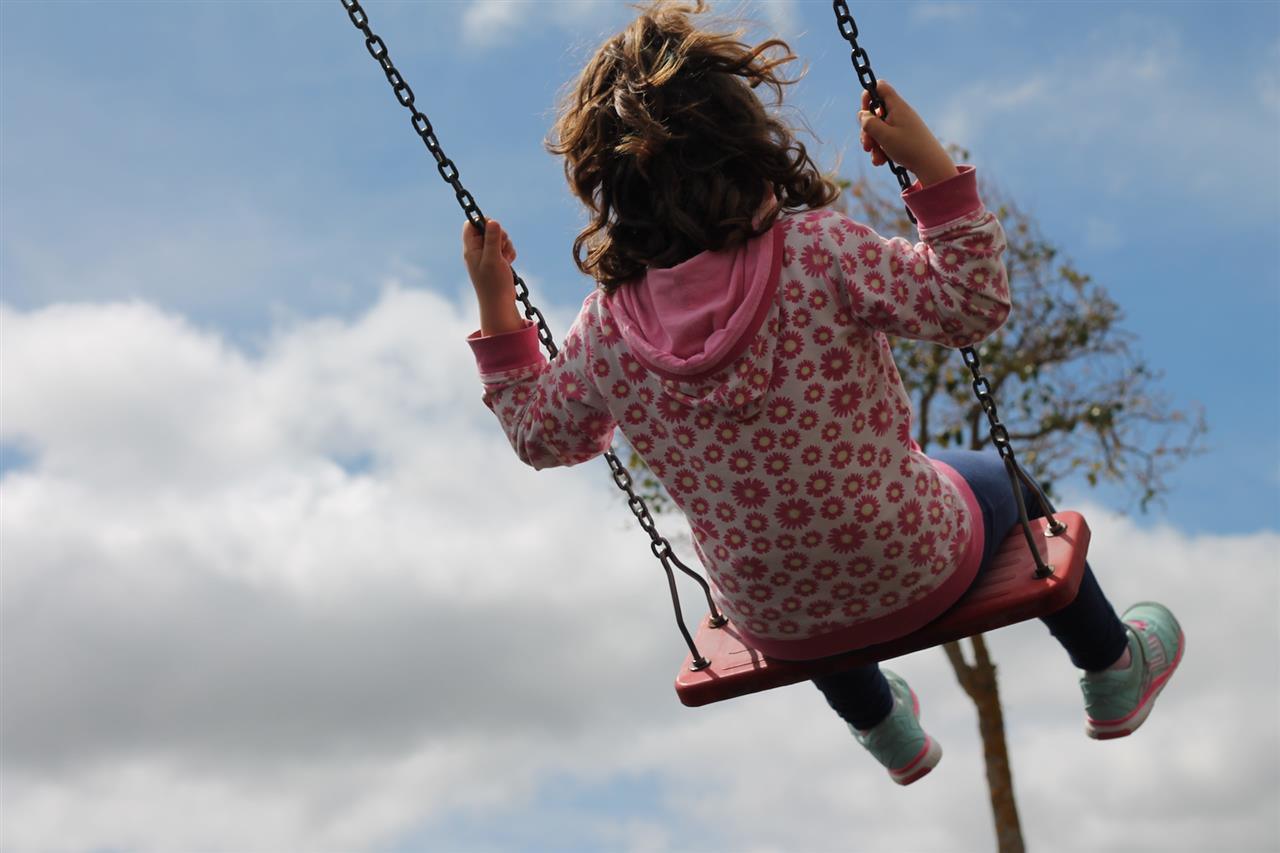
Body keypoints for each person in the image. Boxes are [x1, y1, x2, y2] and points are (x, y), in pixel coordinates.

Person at [460, 0, 1183, 785]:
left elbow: (541, 434)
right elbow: (969, 303)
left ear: (607, 186)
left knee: (785, 554)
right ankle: (1113, 666)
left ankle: (887, 731)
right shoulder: (817, 250)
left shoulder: (604, 328)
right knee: (997, 478)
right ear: (745, 143)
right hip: (920, 560)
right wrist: (932, 170)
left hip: (775, 619)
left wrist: (499, 307)